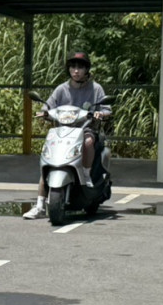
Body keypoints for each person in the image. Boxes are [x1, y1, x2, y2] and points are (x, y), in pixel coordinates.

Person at [23, 51, 110, 219]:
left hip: (85, 129)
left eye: (80, 67)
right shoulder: (61, 89)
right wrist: (44, 113)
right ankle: (40, 205)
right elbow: (47, 106)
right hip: (62, 132)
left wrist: (99, 115)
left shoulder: (96, 88)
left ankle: (86, 173)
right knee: (48, 160)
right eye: (73, 67)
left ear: (86, 70)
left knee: (88, 142)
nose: (76, 71)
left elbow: (106, 111)